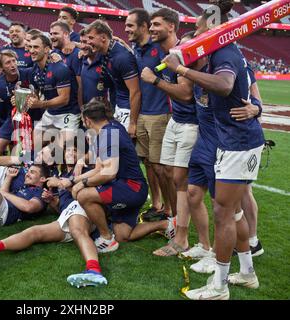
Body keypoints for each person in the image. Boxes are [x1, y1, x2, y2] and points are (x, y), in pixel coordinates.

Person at [162, 0, 264, 300]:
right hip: (232, 139)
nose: (195, 35)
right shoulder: (220, 52)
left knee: (223, 213)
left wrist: (181, 68)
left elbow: (223, 84)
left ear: (213, 28)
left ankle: (219, 287)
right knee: (231, 213)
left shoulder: (225, 51)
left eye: (198, 29)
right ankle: (246, 273)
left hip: (238, 142)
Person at [0, 145, 96, 262]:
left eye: (75, 151)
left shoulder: (82, 170)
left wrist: (66, 182)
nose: (71, 153)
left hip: (79, 209)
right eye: (68, 151)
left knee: (79, 232)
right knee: (34, 232)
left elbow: (84, 193)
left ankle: (94, 270)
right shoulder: (60, 174)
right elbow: (61, 206)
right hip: (65, 213)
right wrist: (52, 200)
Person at [61, 100, 148, 288]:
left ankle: (106, 238)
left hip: (130, 188)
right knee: (123, 234)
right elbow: (100, 167)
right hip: (134, 187)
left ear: (87, 120)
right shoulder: (112, 127)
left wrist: (81, 184)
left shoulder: (106, 136)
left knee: (84, 196)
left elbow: (109, 173)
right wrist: (74, 181)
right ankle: (165, 224)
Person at [141, 29, 199, 257]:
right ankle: (176, 222)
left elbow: (185, 94)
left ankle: (184, 236)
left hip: (193, 125)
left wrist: (154, 80)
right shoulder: (170, 59)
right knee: (166, 172)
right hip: (177, 120)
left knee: (187, 184)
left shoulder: (189, 66)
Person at [125, 8, 172, 222]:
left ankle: (170, 210)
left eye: (130, 25)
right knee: (148, 163)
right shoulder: (137, 49)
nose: (127, 29)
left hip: (161, 113)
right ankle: (157, 204)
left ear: (143, 27)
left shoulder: (160, 48)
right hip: (143, 113)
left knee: (161, 167)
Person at [86, 20, 141, 138]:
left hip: (128, 109)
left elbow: (135, 91)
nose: (88, 42)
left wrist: (132, 123)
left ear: (103, 38)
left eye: (91, 38)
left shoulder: (122, 57)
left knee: (122, 147)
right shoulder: (103, 53)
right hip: (118, 107)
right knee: (113, 146)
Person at [27, 33, 81, 144]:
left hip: (68, 113)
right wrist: (26, 99)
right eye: (30, 47)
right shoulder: (34, 70)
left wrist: (40, 104)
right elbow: (35, 94)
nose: (31, 50)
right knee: (35, 143)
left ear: (47, 49)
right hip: (50, 113)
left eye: (36, 47)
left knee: (61, 149)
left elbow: (64, 99)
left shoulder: (59, 68)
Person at [50, 21, 83, 107]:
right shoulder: (53, 53)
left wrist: (81, 109)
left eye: (55, 33)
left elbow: (81, 85)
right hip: (55, 108)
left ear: (66, 34)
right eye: (51, 34)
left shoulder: (76, 54)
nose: (52, 37)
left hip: (72, 109)